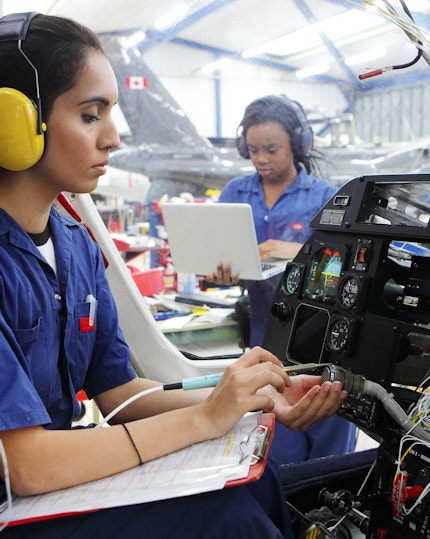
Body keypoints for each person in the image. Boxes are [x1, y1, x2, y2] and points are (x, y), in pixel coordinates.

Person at [0, 13, 350, 538]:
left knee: (259, 485)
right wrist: (204, 419)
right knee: (230, 521)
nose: (113, 139)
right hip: (14, 498)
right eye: (91, 115)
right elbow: (25, 464)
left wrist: (247, 403)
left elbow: (118, 392)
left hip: (49, 480)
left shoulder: (76, 247)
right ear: (15, 123)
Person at [206, 95, 357, 465]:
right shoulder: (235, 193)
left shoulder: (326, 196)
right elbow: (219, 260)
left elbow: (353, 265)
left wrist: (295, 250)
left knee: (328, 455)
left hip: (323, 344)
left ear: (299, 145)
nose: (261, 159)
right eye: (253, 149)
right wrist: (220, 274)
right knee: (274, 454)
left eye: (271, 149)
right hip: (265, 346)